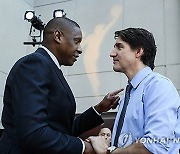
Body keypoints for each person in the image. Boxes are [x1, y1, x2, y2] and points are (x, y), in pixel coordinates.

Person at [0, 17, 123, 154]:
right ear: (58, 36)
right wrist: (84, 147)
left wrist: (99, 108)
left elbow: (63, 129)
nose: (80, 49)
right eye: (77, 41)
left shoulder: (49, 67)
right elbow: (33, 134)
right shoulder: (34, 64)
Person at [88, 28, 180, 153]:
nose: (112, 53)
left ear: (138, 51)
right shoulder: (129, 93)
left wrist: (108, 151)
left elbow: (154, 145)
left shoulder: (158, 86)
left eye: (119, 47)